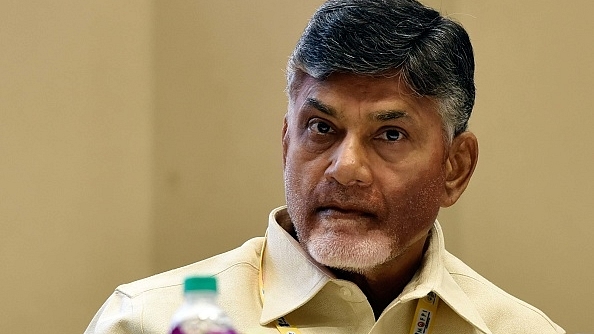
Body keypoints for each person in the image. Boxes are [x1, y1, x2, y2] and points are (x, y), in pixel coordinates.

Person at [85, 0, 565, 333]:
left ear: (455, 169)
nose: (345, 168)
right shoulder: (146, 321)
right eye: (320, 128)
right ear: (286, 141)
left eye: (390, 135)